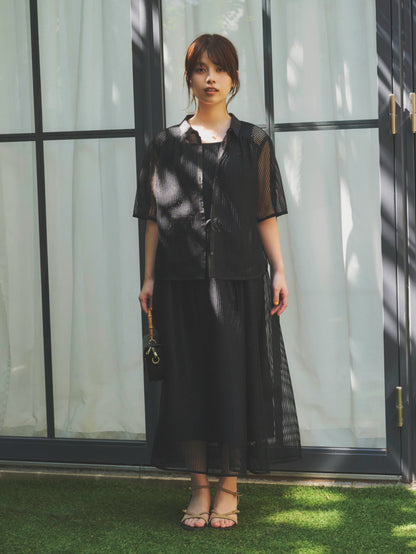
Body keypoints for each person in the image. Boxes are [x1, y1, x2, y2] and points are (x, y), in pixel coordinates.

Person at [133, 33, 301, 530]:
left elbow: (264, 212)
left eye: (220, 70)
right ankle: (198, 487)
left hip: (240, 278)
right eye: (201, 70)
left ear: (234, 79)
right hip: (179, 280)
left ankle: (229, 487)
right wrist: (148, 278)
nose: (210, 79)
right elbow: (153, 219)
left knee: (234, 378)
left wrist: (279, 269)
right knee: (188, 382)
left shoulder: (254, 142)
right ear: (188, 79)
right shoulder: (165, 144)